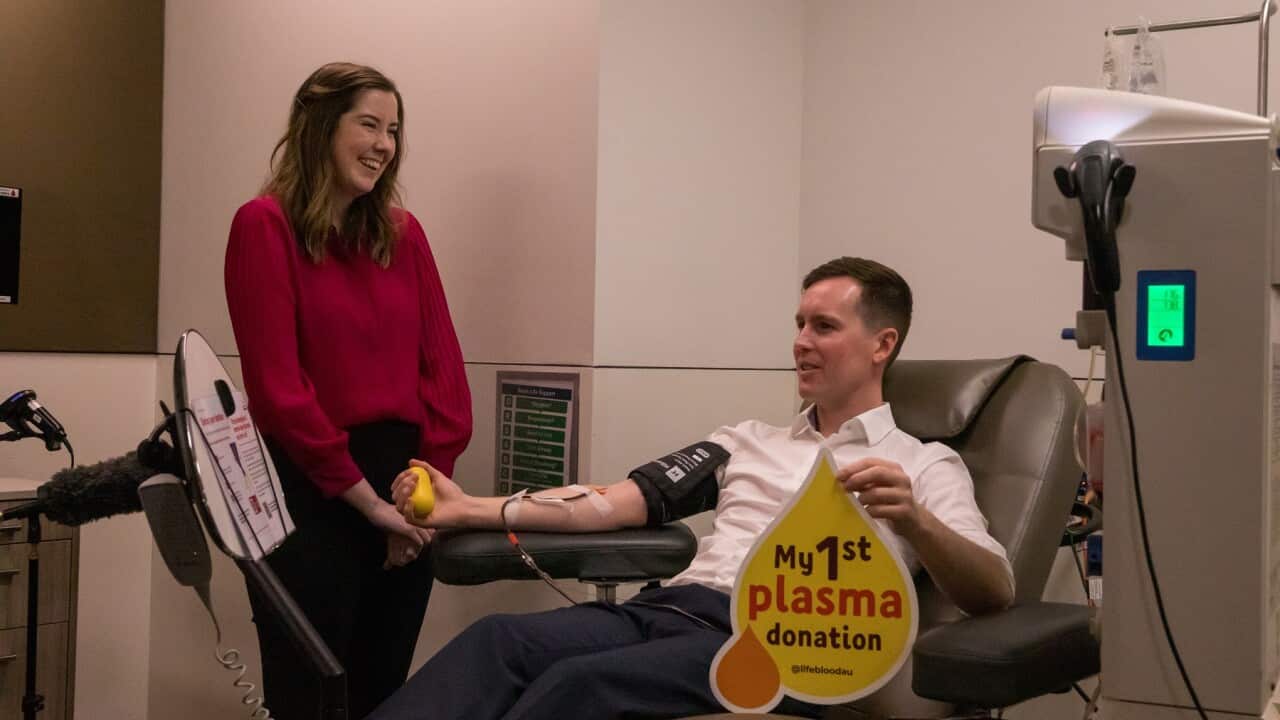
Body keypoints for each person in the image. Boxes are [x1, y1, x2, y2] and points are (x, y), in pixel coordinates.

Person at [370, 257, 1011, 720]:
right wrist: (467, 508)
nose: (800, 343)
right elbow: (613, 502)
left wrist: (916, 520)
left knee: (580, 685)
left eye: (823, 327)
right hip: (670, 610)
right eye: (798, 324)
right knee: (498, 642)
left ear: (882, 344)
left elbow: (994, 589)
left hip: (782, 649)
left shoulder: (920, 465)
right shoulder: (746, 440)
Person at [224, 62, 472, 719]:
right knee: (311, 699)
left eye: (393, 130)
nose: (383, 144)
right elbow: (278, 391)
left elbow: (445, 378)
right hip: (308, 493)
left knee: (383, 695)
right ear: (321, 127)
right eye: (369, 124)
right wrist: (370, 506)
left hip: (406, 487)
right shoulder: (263, 226)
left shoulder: (404, 235)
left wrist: (419, 502)